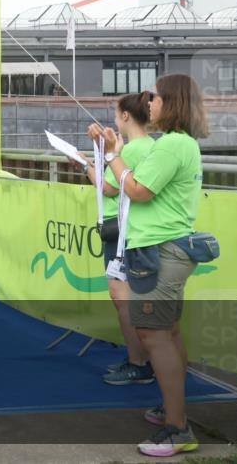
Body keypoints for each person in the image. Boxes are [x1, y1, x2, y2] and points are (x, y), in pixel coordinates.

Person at [90, 74, 209, 457]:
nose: (149, 102)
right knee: (167, 332)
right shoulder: (179, 144)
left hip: (161, 250)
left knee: (155, 335)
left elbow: (137, 191)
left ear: (170, 102)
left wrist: (112, 155)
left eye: (154, 96)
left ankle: (178, 428)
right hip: (166, 249)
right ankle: (172, 412)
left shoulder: (172, 145)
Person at [81, 93, 154, 385]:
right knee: (129, 298)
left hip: (124, 232)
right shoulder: (146, 147)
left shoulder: (135, 150)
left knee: (121, 296)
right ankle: (139, 358)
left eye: (115, 113)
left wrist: (84, 165)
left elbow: (109, 187)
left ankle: (139, 362)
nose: (113, 119)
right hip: (131, 230)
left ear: (126, 116)